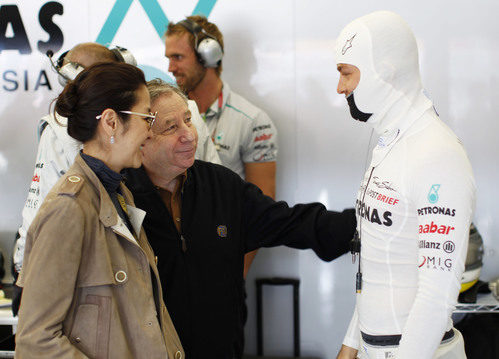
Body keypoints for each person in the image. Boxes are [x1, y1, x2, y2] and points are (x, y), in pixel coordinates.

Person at [123, 80, 356, 359]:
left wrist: (367, 225)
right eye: (171, 127)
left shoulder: (221, 186)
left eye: (188, 120)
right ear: (142, 138)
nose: (189, 135)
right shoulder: (119, 199)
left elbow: (292, 222)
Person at [13, 42, 220, 312]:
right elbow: (39, 218)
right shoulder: (67, 185)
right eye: (147, 119)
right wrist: (24, 278)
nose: (149, 131)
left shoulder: (123, 184)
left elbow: (215, 197)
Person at [15, 62, 184, 358]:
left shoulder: (119, 193)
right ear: (110, 122)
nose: (149, 131)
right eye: (147, 117)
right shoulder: (68, 208)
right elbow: (35, 340)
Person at [334, 11, 475, 359]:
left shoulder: (437, 153)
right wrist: (351, 346)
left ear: (385, 70)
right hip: (375, 349)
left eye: (346, 73)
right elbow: (378, 264)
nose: (340, 87)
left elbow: (437, 294)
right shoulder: (390, 143)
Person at [164, 15, 278, 278]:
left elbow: (261, 208)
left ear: (209, 57)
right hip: (174, 269)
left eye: (178, 57)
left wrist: (236, 275)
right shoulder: (160, 117)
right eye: (168, 57)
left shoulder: (252, 122)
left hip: (222, 268)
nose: (170, 67)